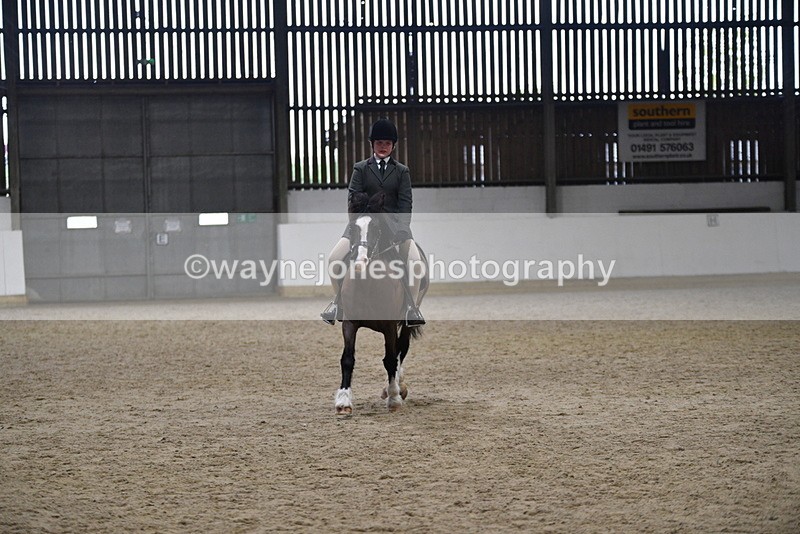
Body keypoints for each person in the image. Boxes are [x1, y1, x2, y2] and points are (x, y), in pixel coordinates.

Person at [321, 118, 425, 327]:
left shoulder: (402, 171)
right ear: (372, 145)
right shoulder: (360, 169)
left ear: (393, 145)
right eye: (379, 143)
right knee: (333, 259)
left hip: (395, 228)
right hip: (363, 226)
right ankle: (338, 303)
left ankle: (411, 308)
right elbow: (353, 198)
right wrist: (358, 223)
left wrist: (403, 229)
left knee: (415, 264)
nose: (383, 147)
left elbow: (406, 203)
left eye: (387, 143)